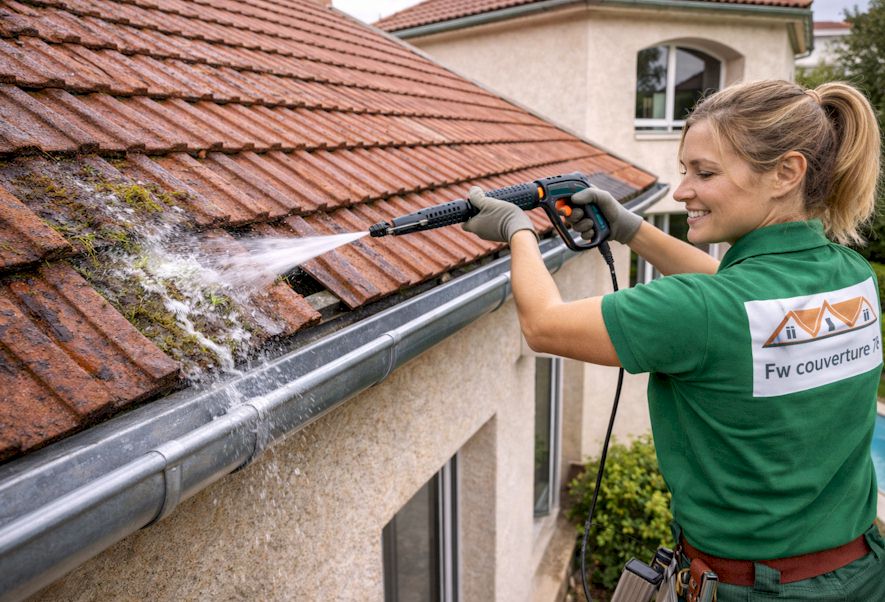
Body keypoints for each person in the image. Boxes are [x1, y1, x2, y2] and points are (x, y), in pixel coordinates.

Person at [463, 79, 884, 601]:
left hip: (753, 590)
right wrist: (630, 230)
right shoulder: (852, 277)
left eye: (704, 173)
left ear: (786, 172)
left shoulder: (704, 312)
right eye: (685, 170)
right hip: (860, 574)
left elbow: (543, 324)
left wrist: (517, 229)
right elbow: (732, 296)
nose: (682, 190)